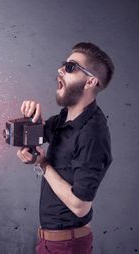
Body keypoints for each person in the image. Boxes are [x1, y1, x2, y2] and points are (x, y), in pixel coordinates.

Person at [16, 42, 114, 254]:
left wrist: (42, 164)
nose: (60, 70)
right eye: (63, 65)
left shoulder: (92, 134)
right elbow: (41, 135)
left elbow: (81, 207)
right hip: (50, 242)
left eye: (71, 67)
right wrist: (31, 119)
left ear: (90, 81)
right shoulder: (66, 118)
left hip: (67, 246)